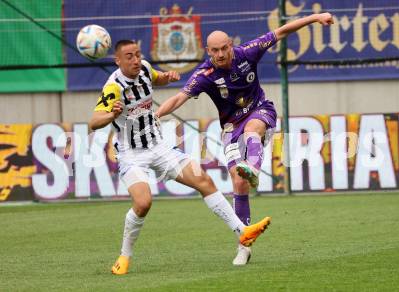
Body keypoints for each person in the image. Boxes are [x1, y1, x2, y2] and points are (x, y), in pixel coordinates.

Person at [156, 12, 334, 265]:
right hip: (230, 128)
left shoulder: (248, 52)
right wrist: (155, 115)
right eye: (214, 50)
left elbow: (281, 32)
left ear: (231, 45)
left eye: (224, 48)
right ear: (208, 50)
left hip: (260, 110)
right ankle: (244, 245)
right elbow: (178, 98)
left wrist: (316, 17)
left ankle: (253, 166)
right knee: (238, 185)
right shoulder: (204, 74)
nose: (220, 54)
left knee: (252, 131)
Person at [89, 40, 271, 275]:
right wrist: (109, 115)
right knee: (143, 203)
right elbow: (94, 122)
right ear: (118, 60)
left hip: (159, 147)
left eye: (137, 54)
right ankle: (124, 256)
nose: (135, 60)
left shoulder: (144, 68)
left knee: (204, 181)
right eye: (129, 56)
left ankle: (243, 233)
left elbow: (156, 77)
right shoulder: (113, 86)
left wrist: (168, 77)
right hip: (131, 154)